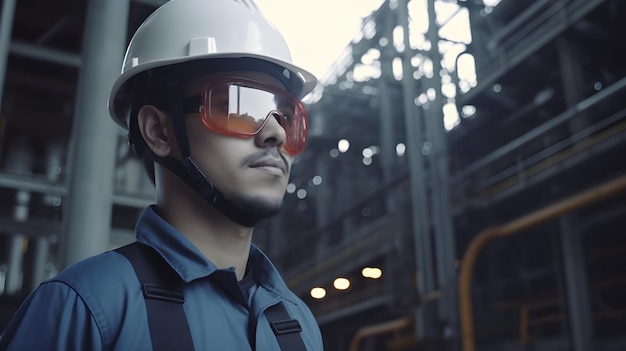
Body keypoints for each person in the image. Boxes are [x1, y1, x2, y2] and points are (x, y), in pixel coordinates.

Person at [0, 0, 323, 349]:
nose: (275, 133)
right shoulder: (83, 309)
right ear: (159, 131)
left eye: (286, 115)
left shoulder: (299, 323)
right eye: (238, 105)